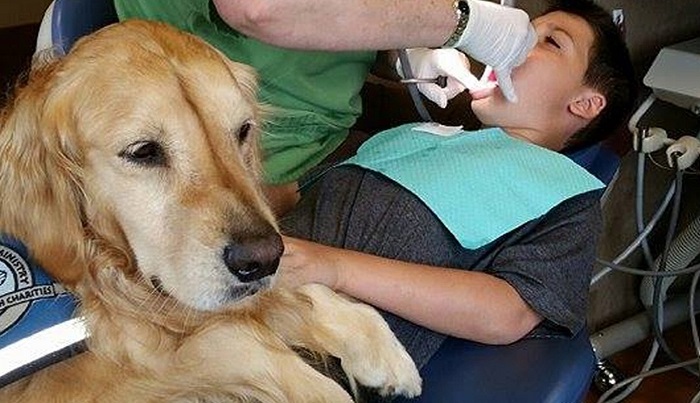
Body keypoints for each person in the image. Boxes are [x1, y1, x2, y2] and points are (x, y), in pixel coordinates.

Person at [276, 0, 637, 371]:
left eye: (550, 42)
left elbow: (508, 314)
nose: (519, 41)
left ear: (585, 104)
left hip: (304, 359)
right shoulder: (420, 135)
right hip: (242, 297)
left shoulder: (565, 195)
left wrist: (337, 270)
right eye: (525, 29)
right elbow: (299, 196)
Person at [113, 0, 537, 215]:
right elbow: (262, 8)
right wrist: (457, 24)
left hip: (321, 141)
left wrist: (408, 48)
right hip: (233, 160)